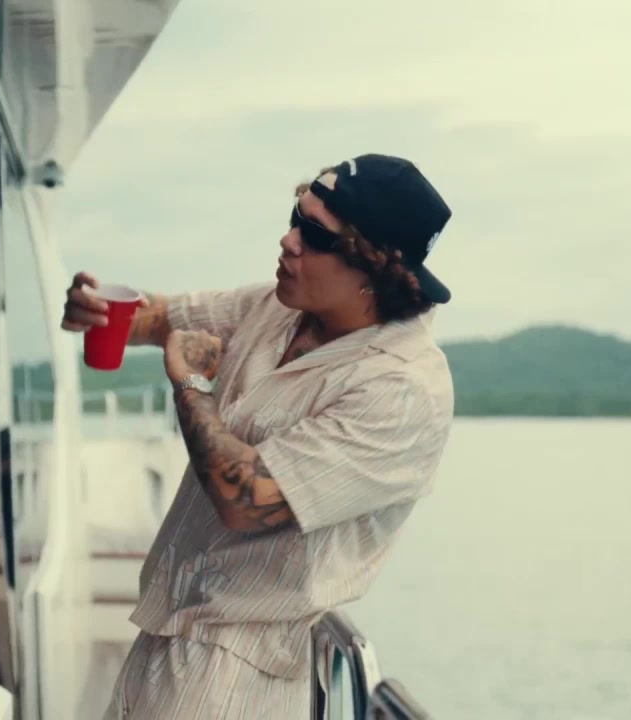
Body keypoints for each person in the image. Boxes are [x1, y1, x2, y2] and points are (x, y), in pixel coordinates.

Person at [62, 154, 456, 719]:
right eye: (296, 217)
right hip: (165, 636)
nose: (288, 240)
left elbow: (245, 500)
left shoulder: (401, 388)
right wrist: (100, 312)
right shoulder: (281, 306)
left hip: (236, 677)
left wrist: (192, 387)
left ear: (373, 267)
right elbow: (165, 317)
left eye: (315, 235)